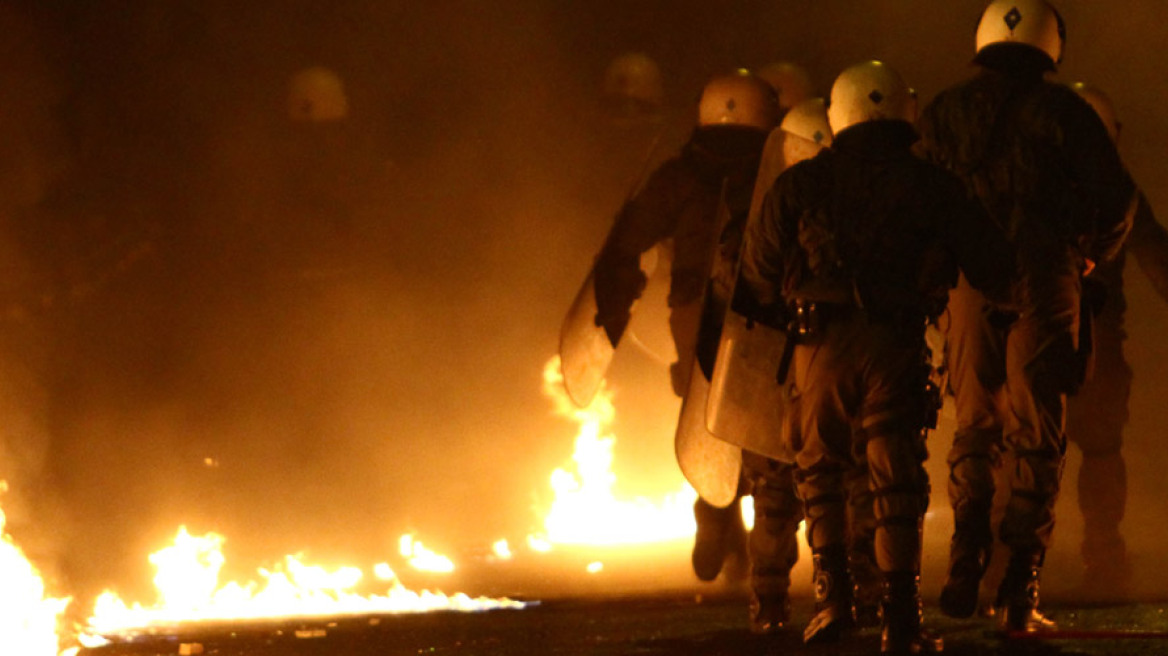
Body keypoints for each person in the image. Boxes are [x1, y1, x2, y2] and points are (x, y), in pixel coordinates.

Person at [738, 59, 1009, 654]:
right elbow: (993, 264)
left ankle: (830, 602)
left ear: (838, 116)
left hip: (818, 347)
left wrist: (790, 307)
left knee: (820, 472)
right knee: (896, 479)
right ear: (902, 111)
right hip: (895, 342)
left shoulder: (800, 184)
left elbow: (756, 274)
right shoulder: (931, 184)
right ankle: (902, 620)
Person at [915, 0, 1138, 631]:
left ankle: (965, 560)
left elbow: (921, 198)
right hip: (1045, 279)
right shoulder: (1067, 113)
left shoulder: (942, 112)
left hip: (968, 283)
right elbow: (1117, 199)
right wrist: (1089, 257)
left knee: (974, 425)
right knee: (1037, 431)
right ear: (1051, 46)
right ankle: (1020, 589)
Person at [591, 70, 793, 632]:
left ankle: (715, 508)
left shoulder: (679, 176)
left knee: (707, 417)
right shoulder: (780, 173)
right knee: (767, 428)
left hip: (694, 317)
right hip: (762, 313)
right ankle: (754, 541)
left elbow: (625, 245)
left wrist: (615, 306)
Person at [1063, 82, 1168, 598]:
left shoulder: (1029, 182)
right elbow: (1158, 261)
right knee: (1101, 453)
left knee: (1018, 451)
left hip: (1032, 340)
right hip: (1098, 347)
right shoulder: (1120, 192)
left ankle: (1004, 570)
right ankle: (1104, 560)